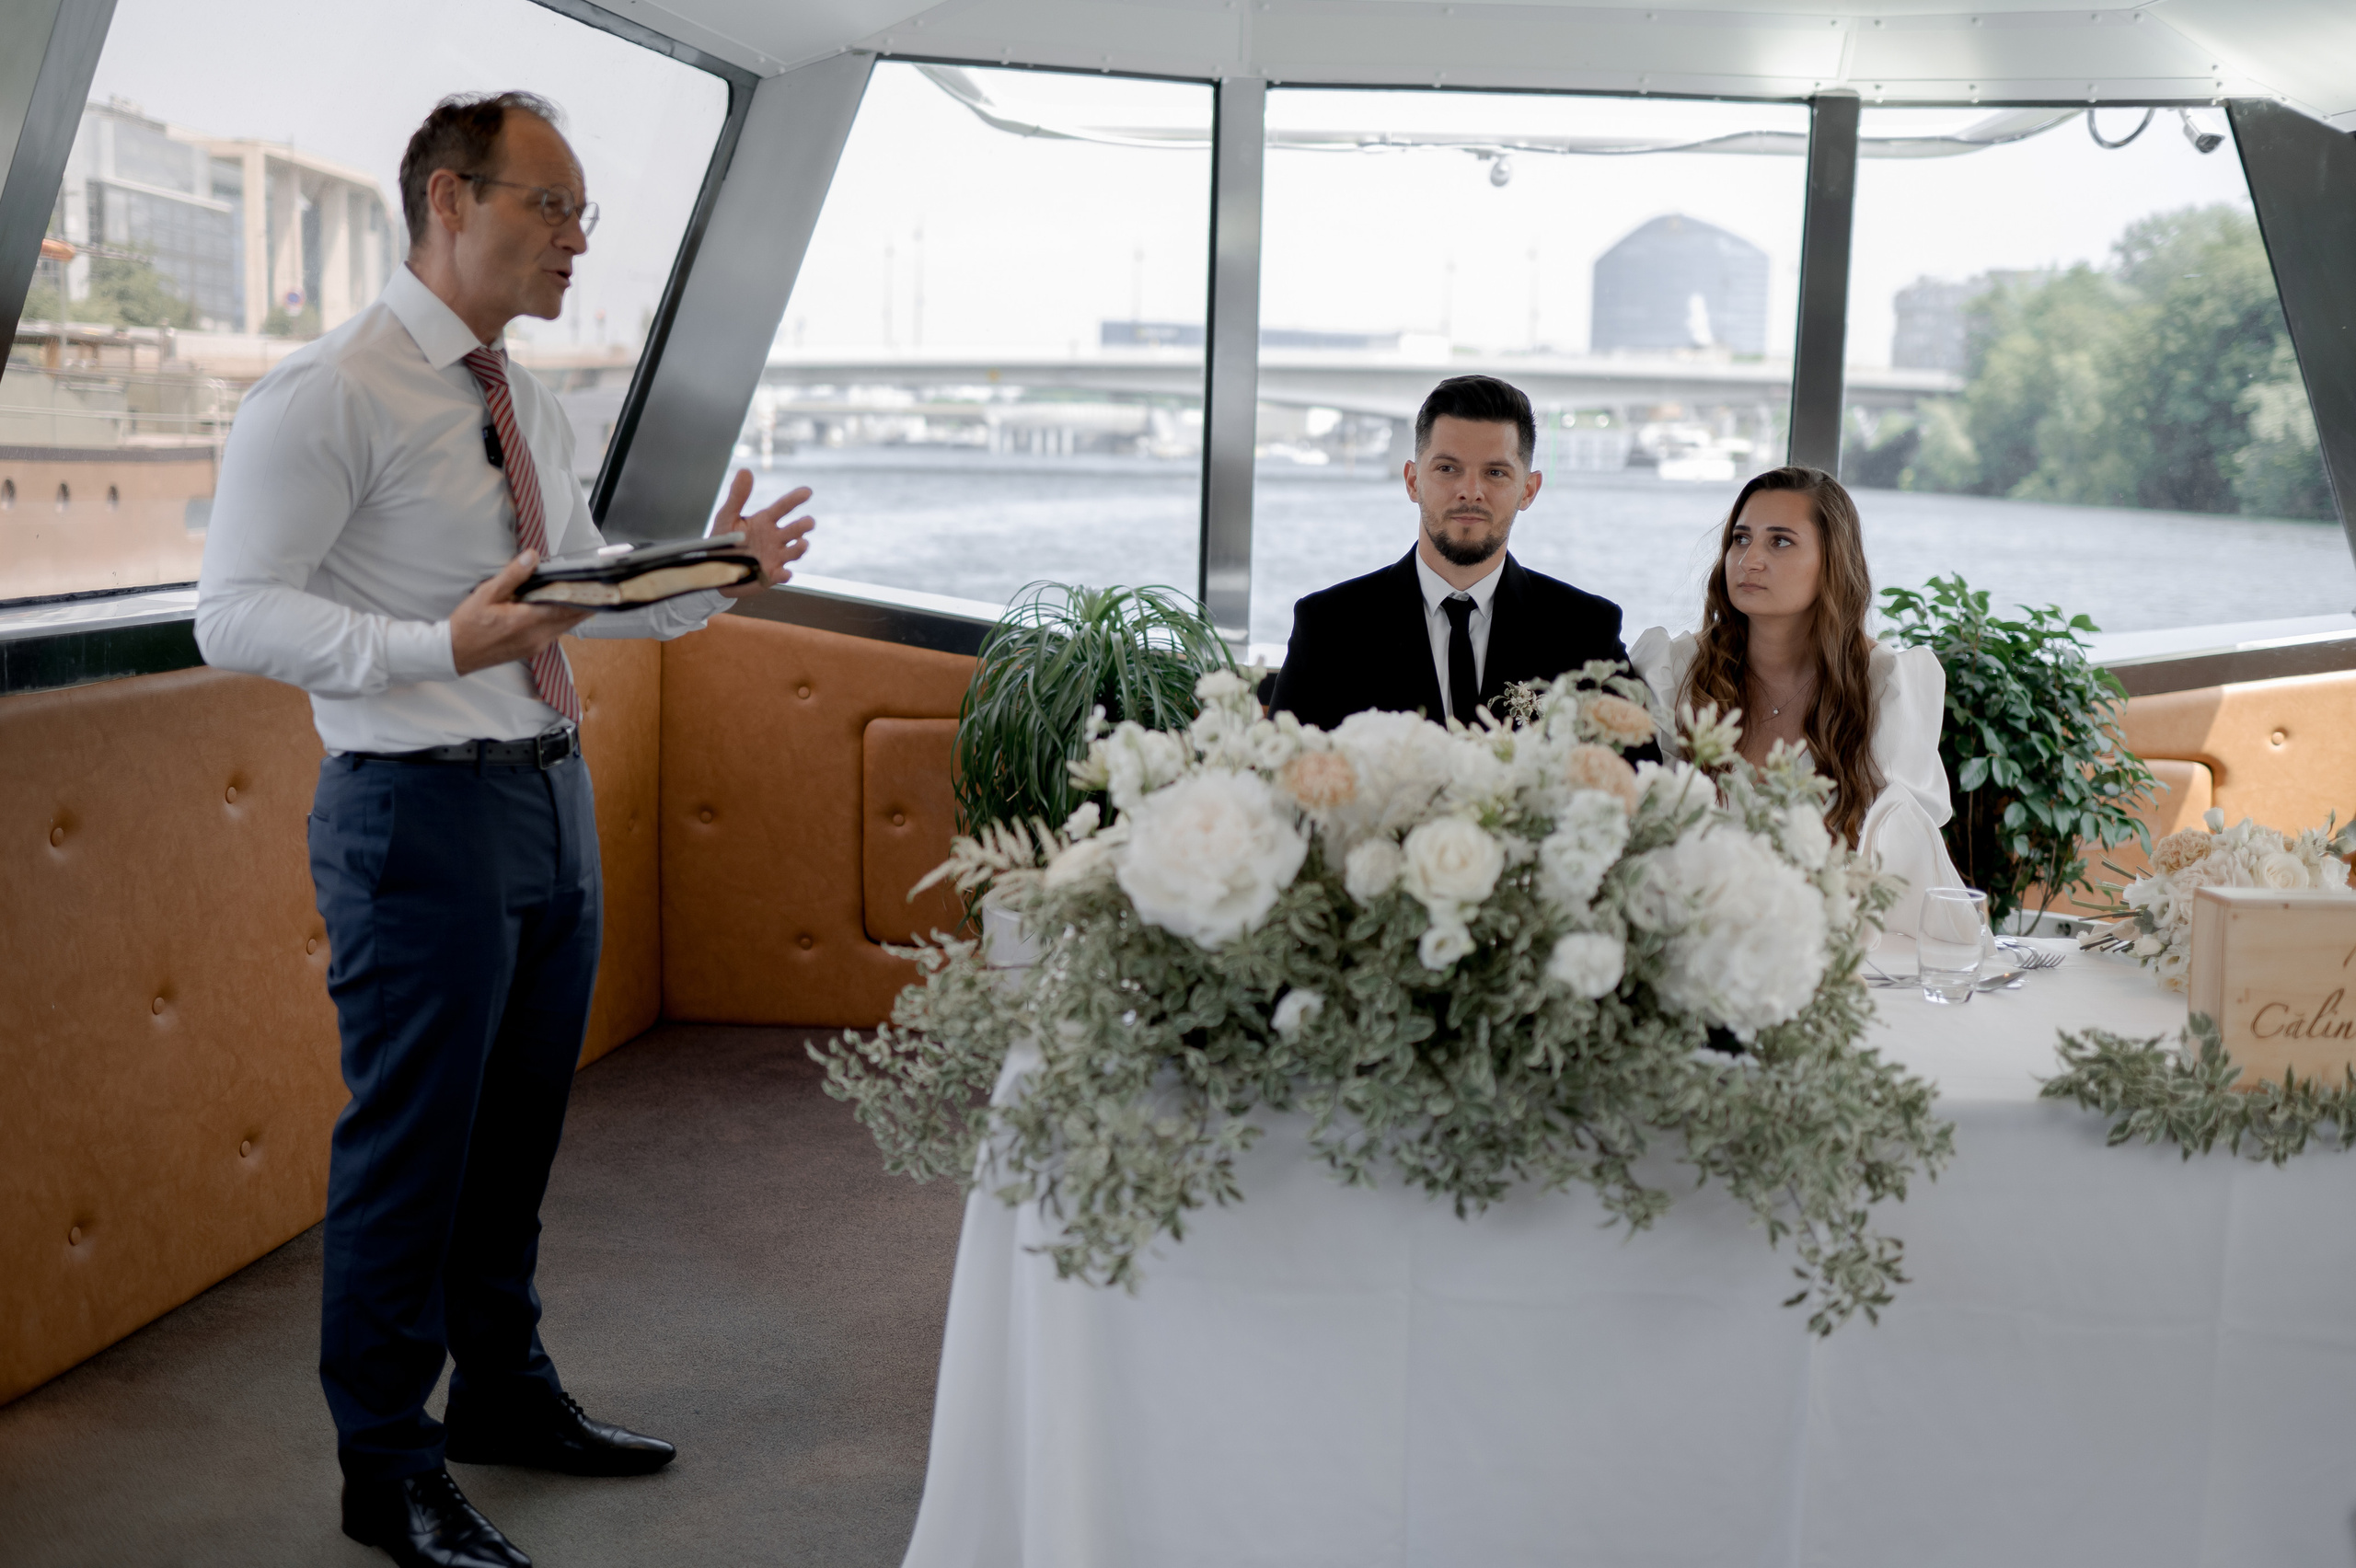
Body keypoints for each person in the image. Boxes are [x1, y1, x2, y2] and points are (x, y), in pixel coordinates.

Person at [194, 93, 813, 1568]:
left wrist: (719, 578)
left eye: (583, 214)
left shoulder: (521, 397)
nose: (576, 239)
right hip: (416, 817)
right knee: (413, 1153)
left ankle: (505, 1397)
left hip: (546, 796)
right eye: (552, 206)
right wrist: (432, 647)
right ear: (450, 201)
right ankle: (385, 1467)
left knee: (516, 1138)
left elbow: (577, 593)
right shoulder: (329, 391)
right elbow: (231, 613)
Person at [1629, 466, 1963, 933]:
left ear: (1833, 560)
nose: (1748, 561)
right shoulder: (1676, 671)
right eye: (1740, 539)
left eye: (1780, 541)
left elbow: (1900, 870)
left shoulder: (1886, 686)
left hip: (1839, 950)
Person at [1268, 375, 1636, 732]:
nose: (1470, 491)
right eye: (1447, 468)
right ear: (1413, 481)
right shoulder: (1329, 627)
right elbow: (1281, 777)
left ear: (1528, 490)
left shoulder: (1587, 631)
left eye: (1495, 472)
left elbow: (1633, 783)